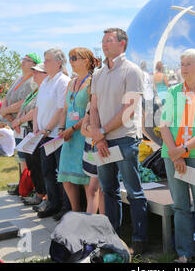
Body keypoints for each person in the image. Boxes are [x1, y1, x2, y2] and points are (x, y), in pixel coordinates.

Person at [89, 28, 148, 255]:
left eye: (109, 40)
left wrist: (101, 132)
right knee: (109, 189)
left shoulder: (132, 71)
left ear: (122, 44)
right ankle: (113, 238)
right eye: (103, 40)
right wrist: (97, 134)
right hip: (103, 140)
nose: (104, 44)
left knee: (134, 191)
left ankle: (140, 239)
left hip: (124, 139)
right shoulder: (98, 74)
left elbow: (129, 110)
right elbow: (93, 107)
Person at [160, 48, 195, 263]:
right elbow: (164, 126)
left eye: (188, 64)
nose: (183, 68)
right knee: (180, 205)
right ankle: (184, 253)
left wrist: (182, 150)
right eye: (182, 64)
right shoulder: (174, 92)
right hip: (172, 156)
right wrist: (176, 155)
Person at [33, 48, 71, 220]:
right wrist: (37, 126)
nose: (45, 63)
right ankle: (53, 203)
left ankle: (66, 207)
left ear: (58, 63)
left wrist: (48, 128)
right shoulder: (47, 81)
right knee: (47, 171)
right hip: (44, 134)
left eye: (48, 60)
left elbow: (61, 108)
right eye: (45, 59)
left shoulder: (62, 81)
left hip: (55, 134)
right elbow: (38, 107)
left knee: (61, 172)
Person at [57, 47, 95, 214]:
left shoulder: (92, 82)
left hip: (83, 135)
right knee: (66, 177)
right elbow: (65, 109)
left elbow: (91, 111)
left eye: (74, 58)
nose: (71, 61)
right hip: (68, 136)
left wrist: (73, 128)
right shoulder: (71, 83)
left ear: (86, 60)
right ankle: (75, 212)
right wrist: (61, 128)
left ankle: (89, 216)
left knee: (86, 179)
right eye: (70, 58)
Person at [0, 53, 41, 195]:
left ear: (34, 64)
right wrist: (9, 117)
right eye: (23, 59)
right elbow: (6, 97)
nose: (22, 62)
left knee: (26, 157)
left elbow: (25, 102)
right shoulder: (18, 79)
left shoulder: (33, 82)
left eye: (26, 60)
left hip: (25, 123)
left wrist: (7, 111)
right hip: (16, 123)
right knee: (20, 157)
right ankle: (23, 184)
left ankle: (29, 187)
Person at [11, 62, 48, 207]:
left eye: (38, 72)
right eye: (34, 71)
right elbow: (24, 107)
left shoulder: (43, 90)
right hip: (30, 132)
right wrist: (18, 120)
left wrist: (19, 120)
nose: (34, 74)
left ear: (46, 74)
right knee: (32, 165)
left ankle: (44, 196)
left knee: (40, 166)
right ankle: (39, 194)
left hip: (38, 131)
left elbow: (34, 112)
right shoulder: (35, 91)